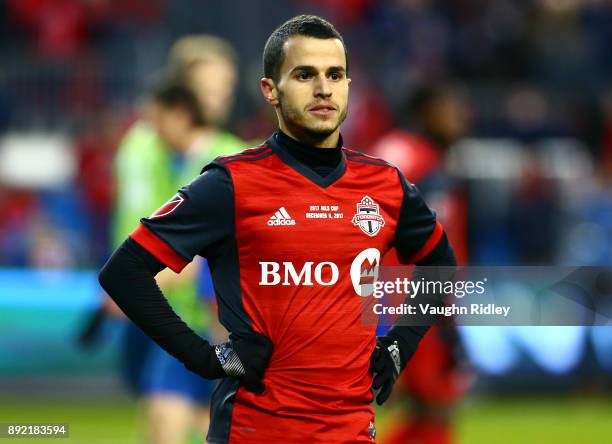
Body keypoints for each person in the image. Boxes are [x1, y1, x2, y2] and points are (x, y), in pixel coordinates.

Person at [100, 15, 456, 443]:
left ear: (348, 86)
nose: (323, 88)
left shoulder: (385, 185)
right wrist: (207, 359)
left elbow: (439, 259)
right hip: (254, 431)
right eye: (304, 74)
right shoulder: (231, 183)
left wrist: (402, 342)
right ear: (270, 90)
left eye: (335, 75)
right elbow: (124, 272)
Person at [106, 36, 243, 444]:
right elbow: (134, 235)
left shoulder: (233, 154)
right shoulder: (142, 149)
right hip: (163, 315)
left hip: (212, 323)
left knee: (194, 423)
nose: (219, 100)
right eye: (210, 88)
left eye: (227, 89)